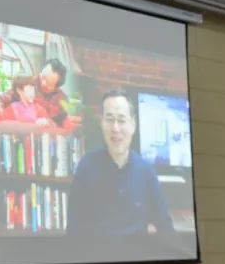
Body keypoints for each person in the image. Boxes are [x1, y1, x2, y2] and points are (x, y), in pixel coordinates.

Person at [67, 89, 174, 236]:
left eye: (122, 120)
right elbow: (74, 230)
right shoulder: (87, 167)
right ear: (101, 123)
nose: (115, 128)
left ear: (133, 125)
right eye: (109, 119)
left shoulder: (145, 171)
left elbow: (165, 226)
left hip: (137, 250)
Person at [0, 58, 69, 127]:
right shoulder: (28, 83)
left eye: (48, 84)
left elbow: (61, 121)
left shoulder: (61, 99)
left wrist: (49, 122)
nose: (43, 83)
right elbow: (0, 100)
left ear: (57, 86)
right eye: (43, 77)